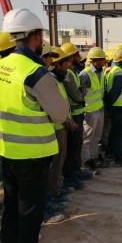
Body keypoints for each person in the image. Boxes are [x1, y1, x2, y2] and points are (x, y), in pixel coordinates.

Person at [0, 8, 69, 243]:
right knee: (30, 213)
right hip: (33, 155)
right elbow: (60, 114)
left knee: (11, 207)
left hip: (6, 151)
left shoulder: (2, 66)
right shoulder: (35, 72)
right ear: (36, 36)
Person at [46, 47, 75, 223]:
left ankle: (56, 191)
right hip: (56, 128)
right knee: (54, 165)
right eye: (65, 64)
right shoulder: (49, 81)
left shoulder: (57, 80)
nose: (68, 67)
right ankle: (52, 197)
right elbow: (53, 108)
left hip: (61, 126)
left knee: (59, 163)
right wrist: (66, 121)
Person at [61, 42, 90, 190]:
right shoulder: (68, 74)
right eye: (76, 55)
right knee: (73, 148)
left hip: (78, 113)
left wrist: (81, 90)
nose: (79, 57)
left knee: (77, 146)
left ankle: (76, 172)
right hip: (75, 114)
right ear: (71, 57)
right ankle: (71, 176)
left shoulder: (72, 72)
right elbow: (78, 96)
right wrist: (83, 91)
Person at [79, 47, 107, 172]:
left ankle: (94, 158)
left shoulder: (101, 72)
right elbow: (80, 96)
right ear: (95, 60)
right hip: (90, 112)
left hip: (99, 110)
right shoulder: (85, 75)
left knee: (97, 137)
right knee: (87, 138)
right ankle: (86, 162)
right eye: (102, 59)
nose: (105, 61)